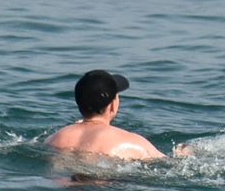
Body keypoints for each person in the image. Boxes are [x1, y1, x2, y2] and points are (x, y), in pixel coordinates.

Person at [45, 69, 177, 161]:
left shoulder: (54, 138)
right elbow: (169, 165)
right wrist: (181, 154)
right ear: (112, 105)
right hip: (107, 188)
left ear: (78, 102)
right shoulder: (132, 142)